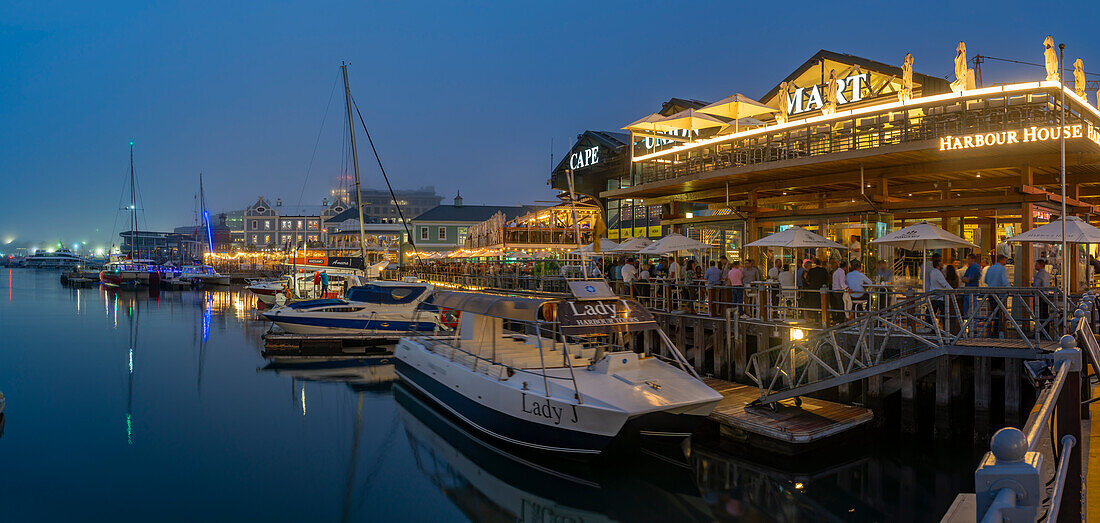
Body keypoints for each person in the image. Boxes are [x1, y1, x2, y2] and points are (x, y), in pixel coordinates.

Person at [984, 254, 1010, 337]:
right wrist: (1010, 290)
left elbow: (986, 280)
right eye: (1005, 260)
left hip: (991, 293)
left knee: (993, 312)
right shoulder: (1002, 269)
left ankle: (992, 331)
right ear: (1002, 260)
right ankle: (998, 332)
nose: (1006, 262)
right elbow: (1004, 281)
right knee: (1000, 314)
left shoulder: (990, 268)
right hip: (1000, 294)